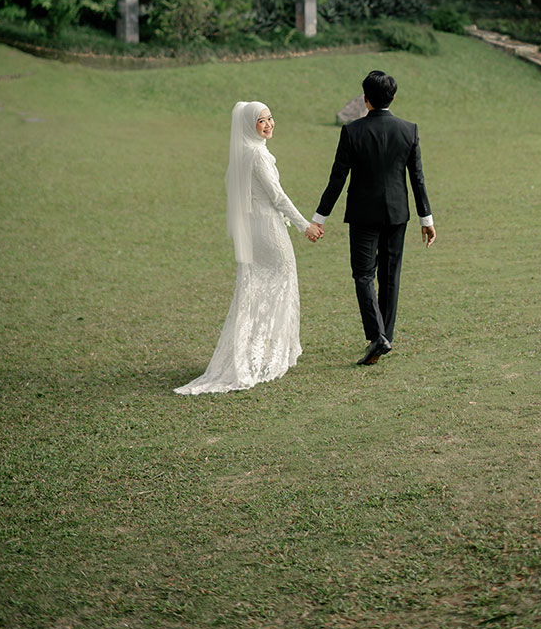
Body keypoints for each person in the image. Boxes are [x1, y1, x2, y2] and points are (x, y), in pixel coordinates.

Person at [175, 101, 320, 395]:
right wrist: (305, 225)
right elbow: (277, 197)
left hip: (255, 228)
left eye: (270, 118)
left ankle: (260, 350)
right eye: (261, 120)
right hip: (268, 228)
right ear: (249, 125)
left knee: (258, 287)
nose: (268, 124)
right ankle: (263, 354)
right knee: (279, 282)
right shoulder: (256, 154)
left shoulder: (246, 152)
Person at [310, 70, 435, 366]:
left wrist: (319, 217)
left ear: (365, 99)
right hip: (397, 214)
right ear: (393, 98)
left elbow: (337, 178)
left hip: (363, 215)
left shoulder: (352, 131)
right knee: (390, 277)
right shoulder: (409, 130)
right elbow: (417, 178)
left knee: (364, 275)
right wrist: (426, 219)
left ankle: (378, 337)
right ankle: (384, 337)